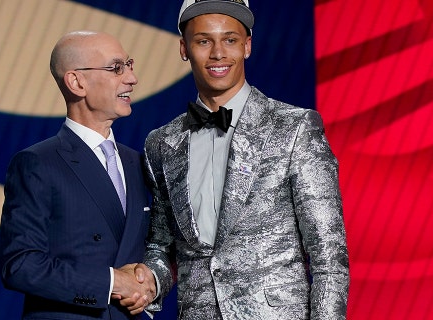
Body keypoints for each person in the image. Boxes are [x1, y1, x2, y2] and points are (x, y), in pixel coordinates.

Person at [139, 0, 349, 319]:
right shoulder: (162, 143)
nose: (219, 53)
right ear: (184, 48)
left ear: (247, 46)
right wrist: (147, 281)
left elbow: (329, 258)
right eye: (204, 40)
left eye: (231, 40)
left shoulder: (295, 127)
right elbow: (161, 247)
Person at [0, 30, 155, 320]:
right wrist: (110, 282)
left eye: (129, 65)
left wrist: (151, 281)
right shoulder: (37, 163)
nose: (132, 78)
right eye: (116, 67)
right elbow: (20, 264)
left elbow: (154, 247)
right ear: (76, 82)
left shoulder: (137, 162)